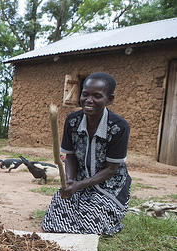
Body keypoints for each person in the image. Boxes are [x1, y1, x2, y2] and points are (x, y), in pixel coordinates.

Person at [42, 72, 131, 235]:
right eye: (85, 94)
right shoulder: (72, 121)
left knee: (91, 223)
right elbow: (70, 157)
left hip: (109, 187)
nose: (89, 100)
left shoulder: (119, 127)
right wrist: (69, 181)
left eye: (97, 96)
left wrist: (79, 185)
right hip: (80, 181)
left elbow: (112, 169)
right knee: (54, 216)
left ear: (109, 99)